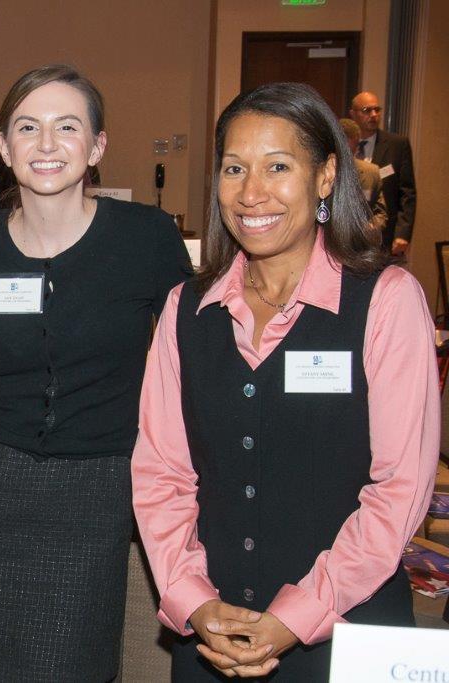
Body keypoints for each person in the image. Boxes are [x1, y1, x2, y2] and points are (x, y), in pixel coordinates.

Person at [132, 82, 439, 681]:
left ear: (326, 176)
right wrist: (197, 602)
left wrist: (297, 614)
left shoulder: (386, 302)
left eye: (278, 166)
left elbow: (399, 490)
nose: (251, 193)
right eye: (234, 169)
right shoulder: (185, 309)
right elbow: (162, 474)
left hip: (347, 637)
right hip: (212, 638)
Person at [0, 65, 192, 682]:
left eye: (67, 127)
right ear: (3, 147)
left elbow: (191, 385)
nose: (48, 144)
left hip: (96, 502)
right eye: (28, 127)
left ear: (98, 145)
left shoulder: (147, 241)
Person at [348, 91, 416, 256]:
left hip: (385, 237)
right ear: (353, 114)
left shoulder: (397, 145)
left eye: (377, 110)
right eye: (367, 110)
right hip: (348, 240)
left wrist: (402, 234)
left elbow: (407, 192)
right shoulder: (345, 144)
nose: (373, 115)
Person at [338, 118, 387, 233]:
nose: (346, 158)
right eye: (342, 152)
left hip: (360, 245)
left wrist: (369, 228)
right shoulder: (318, 172)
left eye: (351, 152)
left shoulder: (372, 173)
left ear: (357, 149)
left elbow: (381, 214)